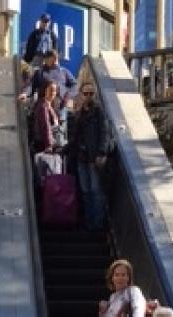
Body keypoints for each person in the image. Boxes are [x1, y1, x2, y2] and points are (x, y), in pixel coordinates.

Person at [69, 81, 109, 231]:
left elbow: (105, 132)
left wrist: (101, 153)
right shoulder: (79, 114)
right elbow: (75, 137)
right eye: (86, 93)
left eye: (91, 93)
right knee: (85, 191)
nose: (88, 96)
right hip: (81, 157)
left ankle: (98, 223)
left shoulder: (99, 111)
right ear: (81, 94)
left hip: (94, 158)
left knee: (96, 190)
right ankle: (88, 221)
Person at [32, 80, 61, 154]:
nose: (53, 93)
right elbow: (45, 126)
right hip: (45, 146)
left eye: (54, 91)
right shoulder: (43, 106)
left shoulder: (48, 105)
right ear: (44, 90)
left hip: (50, 143)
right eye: (50, 90)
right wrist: (49, 145)